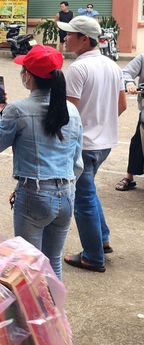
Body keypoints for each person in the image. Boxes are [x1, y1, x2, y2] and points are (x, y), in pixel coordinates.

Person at [0, 45, 83, 279]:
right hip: (66, 193)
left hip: (34, 194)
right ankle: (53, 313)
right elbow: (77, 162)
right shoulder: (71, 110)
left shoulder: (18, 109)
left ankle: (32, 315)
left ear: (27, 75)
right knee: (53, 263)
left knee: (29, 265)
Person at [57, 16, 125, 273]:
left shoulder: (77, 69)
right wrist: (101, 125)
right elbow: (121, 105)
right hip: (104, 144)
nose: (65, 38)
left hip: (83, 145)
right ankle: (103, 238)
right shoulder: (112, 66)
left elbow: (68, 113)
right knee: (89, 192)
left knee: (82, 200)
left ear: (84, 38)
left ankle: (93, 257)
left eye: (70, 34)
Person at [119, 52, 144, 191]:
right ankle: (129, 176)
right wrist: (130, 84)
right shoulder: (142, 58)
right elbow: (126, 72)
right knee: (138, 140)